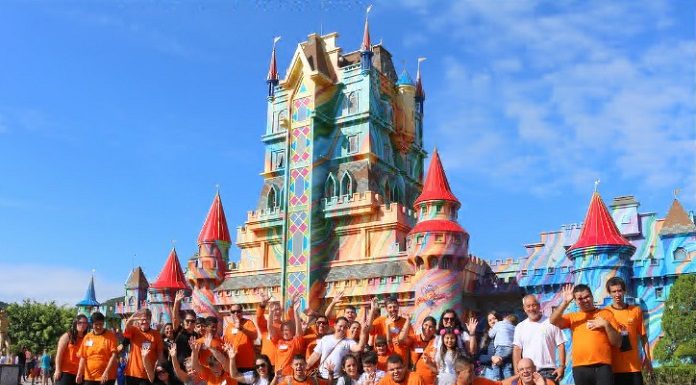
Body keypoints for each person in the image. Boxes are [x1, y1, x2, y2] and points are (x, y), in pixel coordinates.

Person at [550, 284, 621, 385]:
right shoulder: (572, 317)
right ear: (575, 301)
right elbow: (553, 321)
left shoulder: (606, 314)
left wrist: (606, 325)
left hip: (602, 366)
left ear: (592, 296)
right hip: (580, 368)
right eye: (580, 298)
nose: (584, 300)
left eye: (587, 296)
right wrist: (565, 302)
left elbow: (617, 342)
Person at [604, 277, 652, 385]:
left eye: (620, 290)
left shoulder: (636, 310)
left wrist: (648, 359)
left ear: (624, 291)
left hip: (634, 368)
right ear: (609, 293)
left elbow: (644, 337)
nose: (617, 294)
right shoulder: (604, 312)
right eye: (614, 291)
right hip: (613, 368)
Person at [512, 295, 566, 385]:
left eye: (534, 305)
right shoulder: (520, 327)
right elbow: (517, 350)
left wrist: (562, 366)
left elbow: (561, 344)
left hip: (549, 372)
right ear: (524, 308)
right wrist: (517, 372)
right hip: (528, 373)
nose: (531, 308)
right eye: (528, 306)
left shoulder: (551, 323)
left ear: (539, 306)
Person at [306, 314, 370, 381]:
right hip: (321, 377)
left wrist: (363, 332)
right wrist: (305, 368)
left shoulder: (349, 342)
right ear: (335, 326)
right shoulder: (325, 339)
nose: (342, 329)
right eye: (340, 326)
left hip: (339, 379)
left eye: (345, 327)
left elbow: (359, 348)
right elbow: (315, 356)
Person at [76, 312, 119, 385]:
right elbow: (83, 356)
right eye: (96, 324)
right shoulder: (87, 337)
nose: (99, 327)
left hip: (106, 377)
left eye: (101, 324)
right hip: (90, 377)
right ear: (92, 324)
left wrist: (106, 372)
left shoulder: (110, 336)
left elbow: (114, 355)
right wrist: (79, 373)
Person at [124, 309, 163, 385]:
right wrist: (133, 317)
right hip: (131, 373)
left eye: (147, 319)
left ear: (150, 320)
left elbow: (160, 352)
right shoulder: (134, 331)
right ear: (138, 320)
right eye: (142, 319)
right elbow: (127, 325)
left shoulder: (156, 334)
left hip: (147, 374)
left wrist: (159, 366)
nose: (145, 321)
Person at [369, 298, 414, 365]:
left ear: (398, 307)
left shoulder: (405, 322)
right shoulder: (380, 320)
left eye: (395, 306)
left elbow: (411, 339)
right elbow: (370, 330)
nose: (393, 309)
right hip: (384, 361)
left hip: (401, 359)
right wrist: (372, 310)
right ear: (386, 309)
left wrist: (402, 340)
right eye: (390, 307)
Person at [269, 296, 304, 375]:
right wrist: (271, 313)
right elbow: (270, 327)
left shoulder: (296, 342)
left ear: (292, 331)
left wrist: (295, 312)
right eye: (283, 330)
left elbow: (298, 330)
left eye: (287, 330)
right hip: (278, 376)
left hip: (290, 376)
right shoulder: (278, 341)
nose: (285, 332)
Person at [55, 314, 90, 385]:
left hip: (80, 374)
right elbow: (59, 354)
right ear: (75, 323)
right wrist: (57, 370)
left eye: (85, 323)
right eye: (80, 322)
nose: (82, 325)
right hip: (66, 372)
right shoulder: (67, 336)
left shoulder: (88, 338)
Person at [223, 304, 258, 373]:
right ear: (230, 313)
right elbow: (226, 344)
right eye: (233, 311)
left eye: (238, 311)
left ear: (242, 312)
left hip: (248, 364)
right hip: (234, 365)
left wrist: (241, 328)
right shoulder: (228, 327)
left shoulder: (248, 322)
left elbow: (254, 336)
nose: (236, 313)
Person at [409, 316, 437, 385]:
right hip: (415, 380)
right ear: (422, 325)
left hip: (430, 380)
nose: (427, 328)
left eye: (431, 327)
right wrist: (407, 321)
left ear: (434, 329)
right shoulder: (414, 339)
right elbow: (401, 340)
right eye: (426, 325)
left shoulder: (437, 342)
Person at [487, 314, 515, 381]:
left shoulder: (499, 324)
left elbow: (491, 335)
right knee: (507, 367)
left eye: (494, 318)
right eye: (490, 320)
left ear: (500, 319)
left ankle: (496, 380)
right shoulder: (513, 327)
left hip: (502, 348)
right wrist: (491, 358)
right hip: (510, 348)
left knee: (495, 363)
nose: (493, 321)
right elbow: (480, 356)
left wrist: (490, 331)